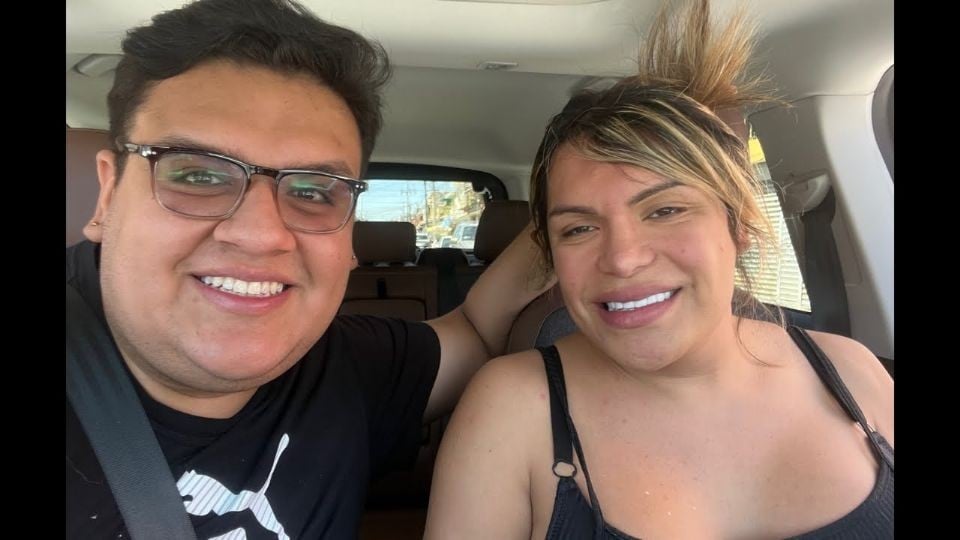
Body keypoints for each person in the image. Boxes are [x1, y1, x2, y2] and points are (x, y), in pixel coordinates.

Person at [65, 0, 551, 537]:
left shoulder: (342, 369)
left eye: (314, 191)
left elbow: (478, 329)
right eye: (199, 176)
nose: (261, 234)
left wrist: (578, 218)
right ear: (107, 196)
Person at [424, 0, 894, 538]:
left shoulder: (851, 370)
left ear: (739, 225)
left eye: (666, 210)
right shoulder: (511, 408)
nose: (623, 259)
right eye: (579, 228)